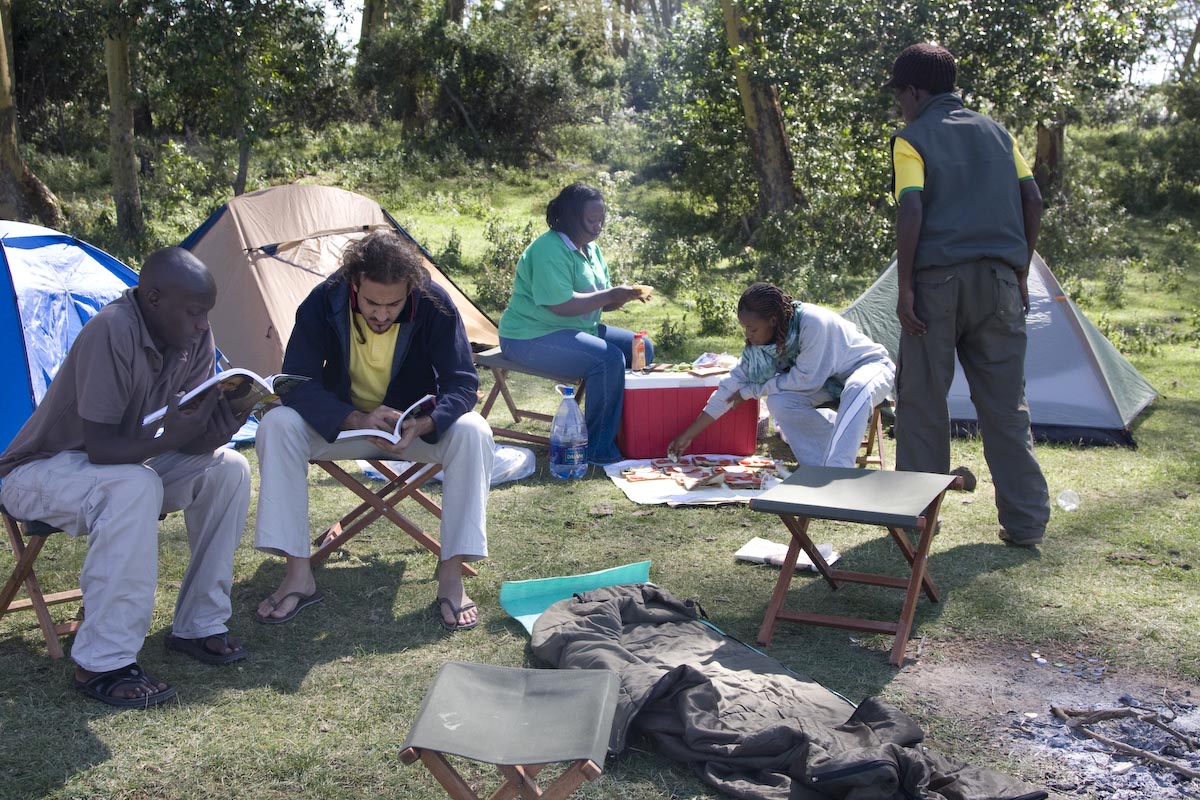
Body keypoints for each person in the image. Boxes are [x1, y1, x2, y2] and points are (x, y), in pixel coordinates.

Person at [0, 247, 251, 709]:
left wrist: (214, 430)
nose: (202, 325)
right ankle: (102, 661)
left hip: (120, 468)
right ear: (152, 298)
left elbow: (181, 439)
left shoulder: (194, 335)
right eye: (194, 312)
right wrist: (167, 440)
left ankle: (199, 625)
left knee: (229, 468)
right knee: (135, 484)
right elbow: (100, 448)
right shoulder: (112, 330)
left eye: (206, 314)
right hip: (38, 471)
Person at [253, 230, 493, 631]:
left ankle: (451, 577)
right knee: (277, 424)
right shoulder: (323, 300)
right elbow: (296, 381)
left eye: (394, 304)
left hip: (411, 432)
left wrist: (428, 421)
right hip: (344, 425)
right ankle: (299, 574)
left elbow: (462, 383)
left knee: (474, 431)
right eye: (371, 303)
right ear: (353, 285)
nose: (381, 314)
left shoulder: (434, 303)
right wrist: (354, 419)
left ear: (411, 290)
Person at [886, 43, 1050, 546]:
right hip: (1000, 283)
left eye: (902, 97)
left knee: (922, 402)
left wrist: (906, 285)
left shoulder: (911, 139)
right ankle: (1026, 524)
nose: (902, 107)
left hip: (937, 285)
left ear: (914, 91)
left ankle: (914, 524)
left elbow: (911, 209)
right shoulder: (1000, 135)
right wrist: (1019, 269)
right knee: (1005, 406)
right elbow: (1033, 199)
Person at [498, 183, 653, 465]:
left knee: (642, 349)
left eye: (601, 219)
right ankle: (597, 449)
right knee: (607, 359)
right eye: (591, 219)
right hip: (530, 336)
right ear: (570, 217)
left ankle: (624, 433)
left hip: (576, 330)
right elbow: (561, 305)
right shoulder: (548, 249)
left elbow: (598, 301)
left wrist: (622, 297)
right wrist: (608, 295)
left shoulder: (590, 250)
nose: (598, 226)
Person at [668, 283, 894, 467]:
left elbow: (806, 379)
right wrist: (688, 435)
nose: (748, 335)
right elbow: (729, 388)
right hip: (827, 382)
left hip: (870, 368)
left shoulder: (813, 323)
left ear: (773, 321)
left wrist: (751, 391)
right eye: (744, 328)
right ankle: (819, 464)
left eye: (753, 329)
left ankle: (838, 471)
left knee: (856, 388)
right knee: (780, 401)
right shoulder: (761, 347)